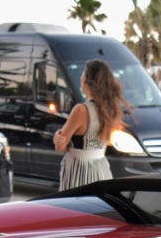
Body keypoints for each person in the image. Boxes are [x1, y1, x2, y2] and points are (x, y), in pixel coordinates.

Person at [52, 59, 126, 190]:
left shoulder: (81, 110)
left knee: (76, 209)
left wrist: (57, 135)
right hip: (101, 169)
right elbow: (108, 142)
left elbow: (60, 146)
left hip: (78, 171)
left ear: (85, 80)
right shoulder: (109, 109)